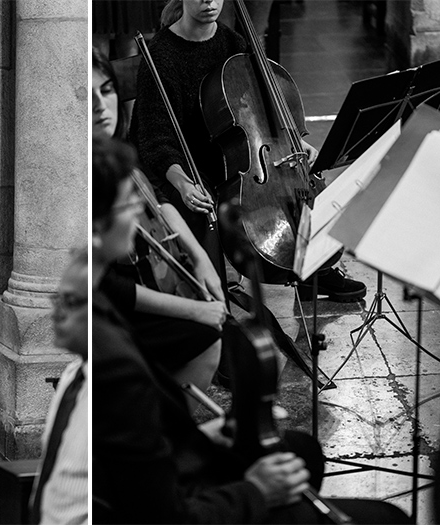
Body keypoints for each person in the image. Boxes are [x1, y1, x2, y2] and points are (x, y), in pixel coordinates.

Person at [92, 135, 411, 524]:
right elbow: (165, 514)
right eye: (130, 204)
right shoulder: (115, 363)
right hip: (189, 506)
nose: (141, 212)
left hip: (170, 475)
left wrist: (205, 439)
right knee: (387, 519)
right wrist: (257, 490)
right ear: (94, 229)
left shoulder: (100, 321)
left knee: (301, 450)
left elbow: (147, 454)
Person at [130, 0, 366, 303]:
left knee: (299, 186)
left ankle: (313, 270)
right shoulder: (161, 56)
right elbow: (154, 139)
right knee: (201, 206)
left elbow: (257, 105)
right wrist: (183, 183)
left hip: (229, 149)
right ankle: (211, 295)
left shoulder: (232, 42)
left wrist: (292, 138)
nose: (209, 1)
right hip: (179, 158)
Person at [93, 45, 228, 400]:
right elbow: (109, 289)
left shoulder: (115, 153)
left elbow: (158, 201)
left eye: (106, 90)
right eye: (85, 93)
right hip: (114, 313)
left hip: (140, 284)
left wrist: (200, 259)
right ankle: (166, 426)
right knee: (207, 335)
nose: (98, 104)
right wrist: (196, 310)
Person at [29, 249, 88, 524]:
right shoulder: (71, 376)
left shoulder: (116, 385)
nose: (55, 314)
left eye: (71, 302)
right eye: (57, 299)